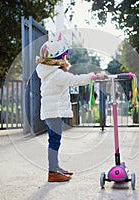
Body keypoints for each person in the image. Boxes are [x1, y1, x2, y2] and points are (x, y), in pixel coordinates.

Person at [36, 35, 104, 182]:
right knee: (54, 142)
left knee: (54, 141)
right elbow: (75, 80)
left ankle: (55, 167)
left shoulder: (50, 72)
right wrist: (94, 77)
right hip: (54, 113)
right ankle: (52, 173)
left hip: (51, 112)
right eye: (65, 55)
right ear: (59, 58)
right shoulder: (56, 74)